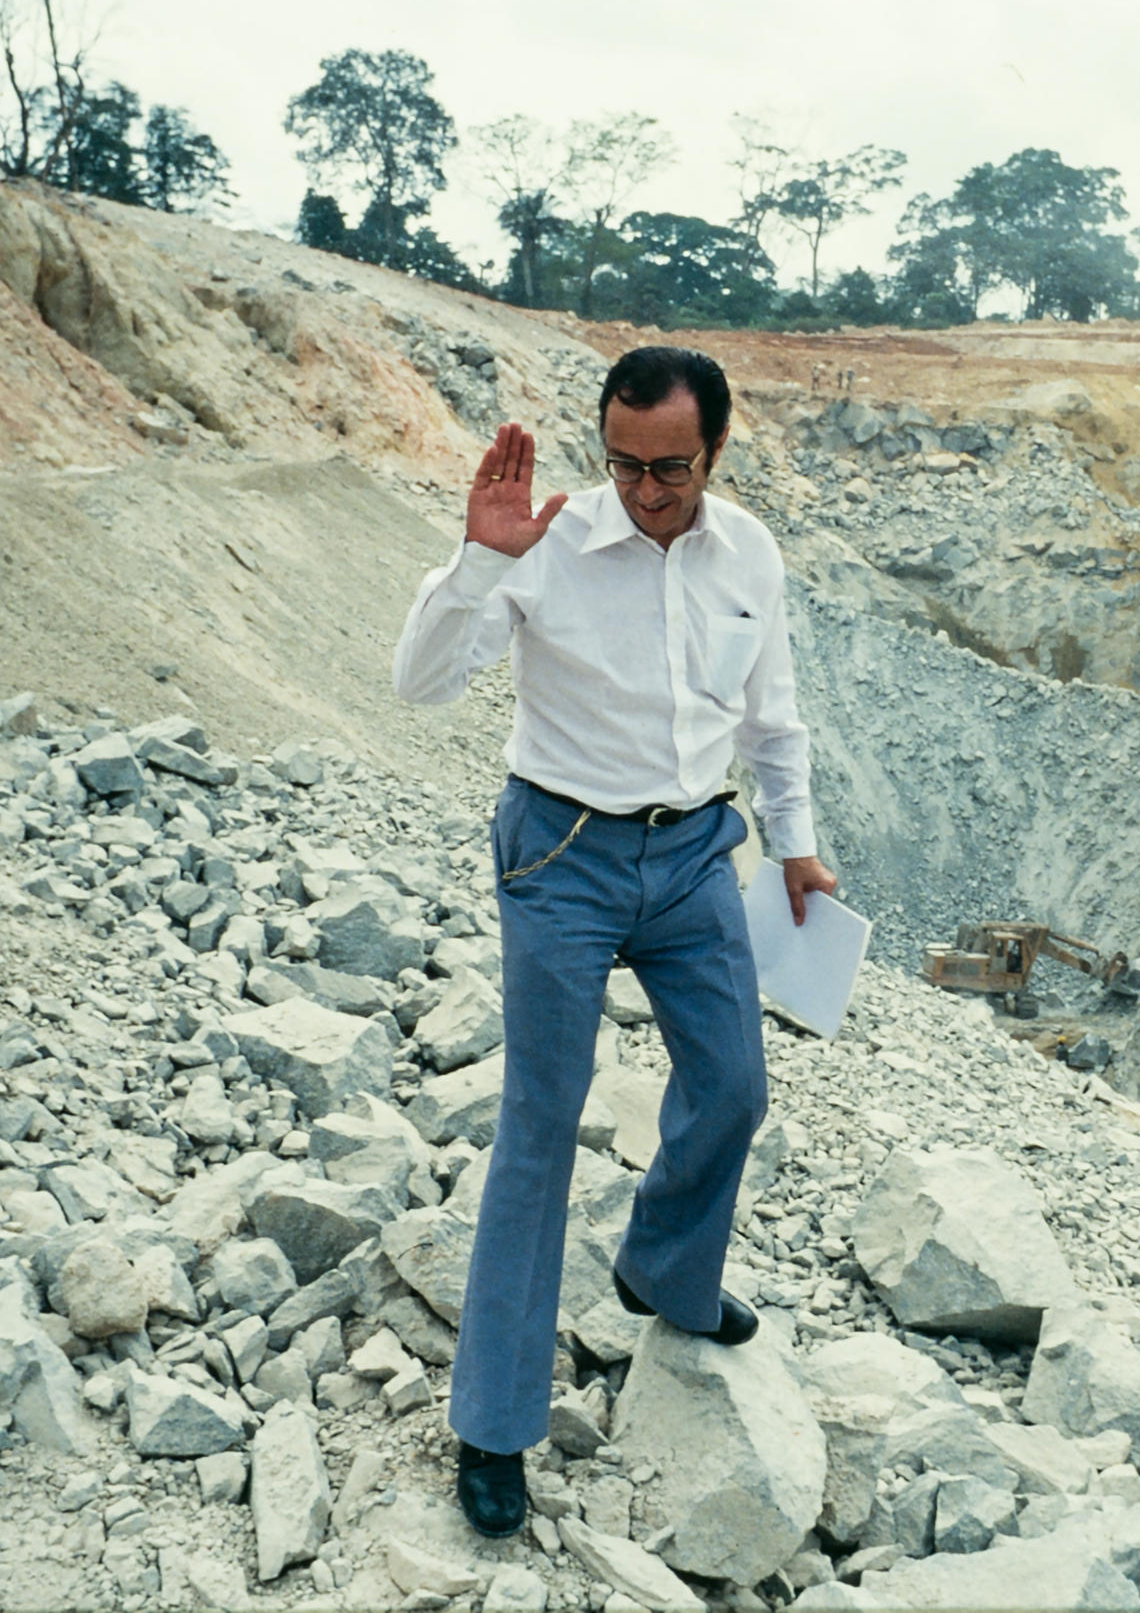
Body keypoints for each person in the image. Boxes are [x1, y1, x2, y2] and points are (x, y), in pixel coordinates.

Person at [391, 345, 838, 1538]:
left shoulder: (749, 552)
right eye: (625, 467)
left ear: (716, 452)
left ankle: (665, 1271)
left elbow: (773, 714)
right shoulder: (545, 550)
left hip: (696, 854)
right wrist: (480, 556)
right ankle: (491, 1426)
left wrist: (793, 844)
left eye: (671, 471)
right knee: (541, 1124)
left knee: (735, 1088)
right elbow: (420, 683)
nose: (645, 493)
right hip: (563, 855)